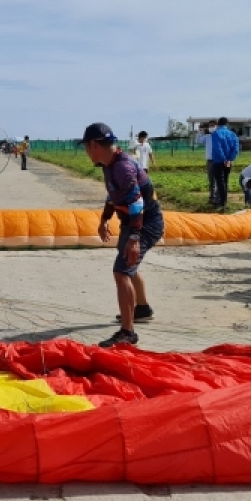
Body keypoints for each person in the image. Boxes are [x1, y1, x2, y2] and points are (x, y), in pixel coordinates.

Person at [80, 122, 165, 348]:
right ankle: (143, 308)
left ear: (94, 145)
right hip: (131, 222)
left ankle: (128, 332)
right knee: (128, 264)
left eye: (86, 147)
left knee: (121, 272)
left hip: (145, 223)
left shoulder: (122, 167)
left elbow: (137, 203)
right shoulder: (109, 164)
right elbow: (113, 196)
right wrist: (105, 219)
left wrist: (135, 238)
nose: (86, 152)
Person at [208, 117, 240, 208]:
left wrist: (224, 159)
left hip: (218, 161)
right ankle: (224, 201)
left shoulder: (216, 133)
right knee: (225, 181)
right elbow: (236, 149)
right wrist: (229, 159)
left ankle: (222, 202)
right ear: (227, 124)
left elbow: (218, 148)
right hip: (228, 162)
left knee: (220, 182)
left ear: (218, 124)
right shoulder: (233, 134)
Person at [198, 122, 217, 203]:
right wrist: (200, 130)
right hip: (209, 161)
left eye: (213, 126)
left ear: (216, 127)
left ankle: (218, 198)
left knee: (219, 180)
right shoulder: (207, 136)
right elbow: (198, 141)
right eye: (210, 126)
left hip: (218, 160)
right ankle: (212, 197)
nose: (211, 127)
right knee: (211, 180)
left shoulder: (219, 136)